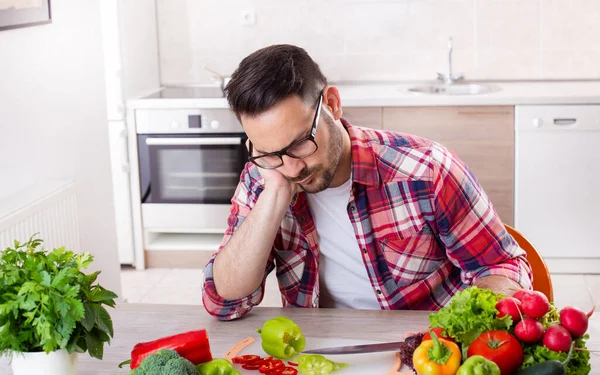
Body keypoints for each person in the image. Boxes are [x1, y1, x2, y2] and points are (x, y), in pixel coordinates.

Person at [202, 44, 532, 321]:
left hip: (427, 360)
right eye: (269, 151)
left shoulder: (427, 170)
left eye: (300, 142)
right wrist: (274, 193)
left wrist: (460, 332)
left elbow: (501, 264)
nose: (290, 167)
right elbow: (225, 301)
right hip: (322, 360)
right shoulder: (265, 177)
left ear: (331, 104)